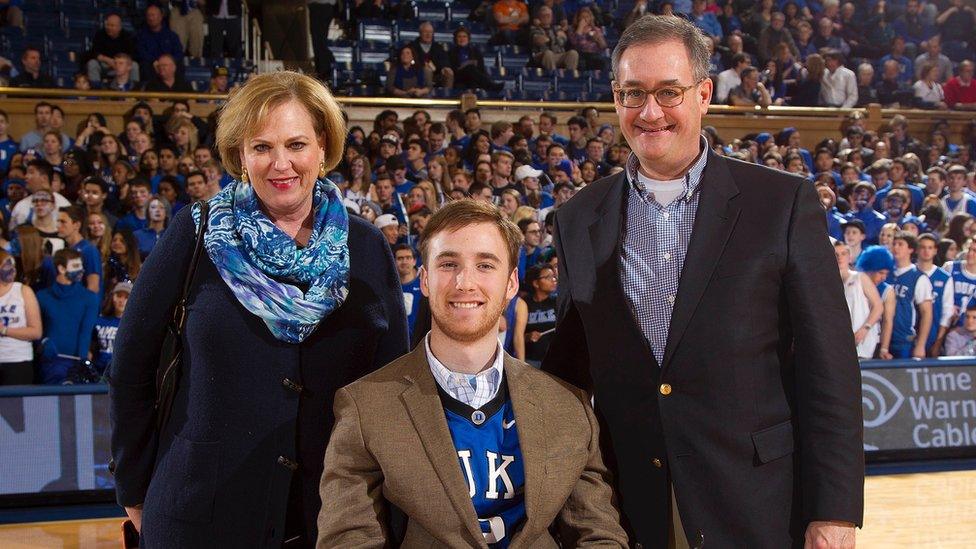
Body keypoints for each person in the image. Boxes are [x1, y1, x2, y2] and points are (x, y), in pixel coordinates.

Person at [543, 15, 863, 548]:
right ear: (615, 98)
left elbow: (828, 367)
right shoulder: (577, 217)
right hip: (631, 504)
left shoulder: (782, 203)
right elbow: (570, 371)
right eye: (632, 93)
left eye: (669, 92)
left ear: (704, 94)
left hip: (758, 500)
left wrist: (832, 513)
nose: (650, 113)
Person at [110, 71, 408, 546]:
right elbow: (131, 367)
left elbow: (394, 386)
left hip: (333, 518)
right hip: (199, 515)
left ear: (323, 147)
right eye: (262, 147)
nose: (280, 163)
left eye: (296, 144)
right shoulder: (194, 233)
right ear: (240, 155)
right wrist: (133, 488)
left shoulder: (367, 246)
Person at [317, 199, 629, 547]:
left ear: (511, 283)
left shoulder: (568, 404)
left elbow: (598, 534)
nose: (465, 282)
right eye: (448, 263)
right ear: (424, 280)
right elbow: (349, 539)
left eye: (485, 265)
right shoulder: (365, 407)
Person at [36, 248, 99, 384]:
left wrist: (82, 362)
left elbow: (85, 332)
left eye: (81, 265)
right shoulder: (42, 297)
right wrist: (42, 343)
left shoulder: (89, 298)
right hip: (50, 363)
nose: (81, 270)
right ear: (61, 268)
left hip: (76, 364)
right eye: (76, 266)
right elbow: (36, 329)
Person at [882, 232, 933, 359]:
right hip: (882, 337)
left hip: (905, 340)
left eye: (900, 244)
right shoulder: (885, 273)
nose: (896, 247)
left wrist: (921, 345)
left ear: (911, 249)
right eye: (894, 244)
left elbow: (927, 313)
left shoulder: (918, 277)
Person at [0, 250, 42, 385]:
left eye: (13, 266)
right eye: (7, 265)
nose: (12, 270)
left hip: (17, 361)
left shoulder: (23, 291)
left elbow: (36, 332)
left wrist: (4, 330)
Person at [835, 240, 883, 358]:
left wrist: (865, 328)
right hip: (839, 343)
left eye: (843, 254)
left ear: (849, 257)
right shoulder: (827, 284)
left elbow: (878, 306)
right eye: (836, 254)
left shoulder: (860, 278)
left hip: (861, 341)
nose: (840, 257)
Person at [916, 233, 955, 356]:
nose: (926, 251)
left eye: (930, 247)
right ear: (916, 249)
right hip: (909, 335)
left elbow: (947, 312)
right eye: (923, 247)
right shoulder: (910, 273)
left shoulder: (944, 278)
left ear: (935, 250)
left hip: (933, 335)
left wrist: (938, 342)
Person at [514, 263, 557, 368]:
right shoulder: (523, 304)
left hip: (554, 359)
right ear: (536, 283)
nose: (554, 280)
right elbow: (515, 337)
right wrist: (528, 336)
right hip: (530, 361)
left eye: (554, 277)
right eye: (548, 277)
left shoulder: (558, 302)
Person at [57, 205, 101, 293]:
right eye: (58, 221)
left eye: (63, 222)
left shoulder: (89, 250)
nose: (58, 226)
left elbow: (93, 286)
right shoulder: (66, 250)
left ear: (76, 225)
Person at [85, 13, 139, 84]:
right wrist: (108, 60)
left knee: (134, 65)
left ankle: (134, 90)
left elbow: (132, 55)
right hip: (104, 64)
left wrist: (118, 63)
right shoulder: (100, 34)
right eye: (108, 25)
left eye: (112, 25)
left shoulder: (128, 37)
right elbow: (94, 53)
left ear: (119, 27)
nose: (109, 27)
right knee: (92, 64)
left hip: (121, 64)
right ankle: (96, 90)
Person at [91, 280, 130, 377]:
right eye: (119, 296)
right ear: (113, 297)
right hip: (98, 373)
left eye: (126, 297)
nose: (122, 300)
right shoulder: (99, 321)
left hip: (121, 375)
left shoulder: (133, 327)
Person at [395, 243, 423, 341]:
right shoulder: (389, 288)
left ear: (414, 261)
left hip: (420, 341)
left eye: (408, 257)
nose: (404, 262)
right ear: (394, 262)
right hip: (398, 342)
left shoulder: (424, 286)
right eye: (400, 258)